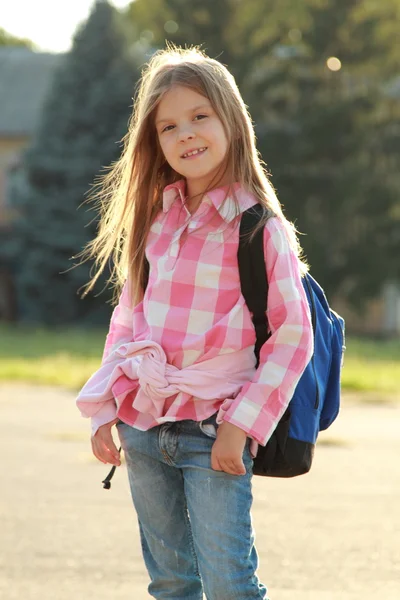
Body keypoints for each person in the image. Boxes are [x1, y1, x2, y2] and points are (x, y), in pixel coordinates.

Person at [76, 45, 313, 600]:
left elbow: (293, 336)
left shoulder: (258, 227)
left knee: (231, 584)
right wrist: (105, 408)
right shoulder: (156, 220)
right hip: (143, 424)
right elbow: (127, 322)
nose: (186, 133)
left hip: (215, 429)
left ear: (231, 120)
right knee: (171, 582)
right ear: (154, 142)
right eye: (168, 126)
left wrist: (242, 425)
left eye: (199, 116)